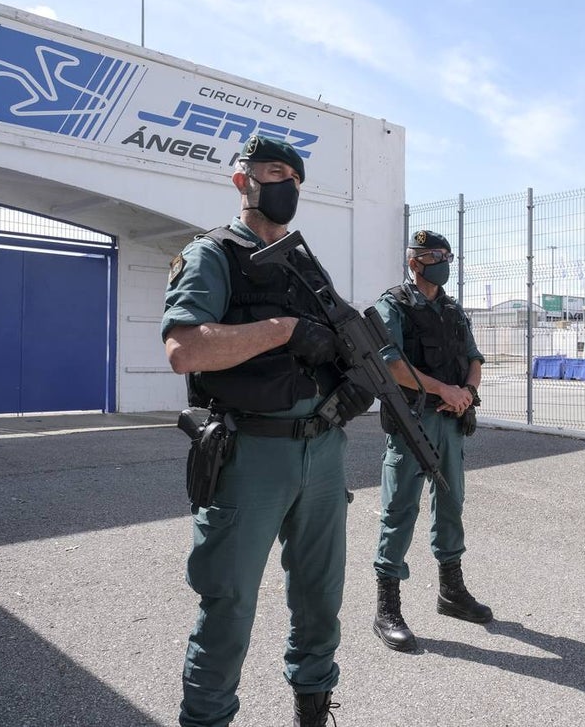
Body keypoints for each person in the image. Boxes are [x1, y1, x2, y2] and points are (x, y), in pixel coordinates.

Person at [163, 135, 358, 727]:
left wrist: (354, 379)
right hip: (251, 454)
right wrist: (283, 330)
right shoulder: (212, 255)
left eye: (295, 179)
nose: (286, 186)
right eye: (274, 172)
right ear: (241, 180)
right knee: (228, 604)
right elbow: (184, 348)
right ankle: (206, 717)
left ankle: (314, 704)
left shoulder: (304, 261)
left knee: (321, 598)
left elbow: (335, 337)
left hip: (321, 451)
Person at [371, 229, 492, 652]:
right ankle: (387, 606)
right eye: (434, 255)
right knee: (400, 509)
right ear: (414, 262)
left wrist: (467, 393)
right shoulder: (395, 305)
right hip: (413, 421)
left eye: (446, 255)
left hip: (452, 422)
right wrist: (445, 389)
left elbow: (474, 358)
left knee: (451, 504)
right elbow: (392, 367)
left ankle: (451, 592)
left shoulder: (454, 310)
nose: (443, 262)